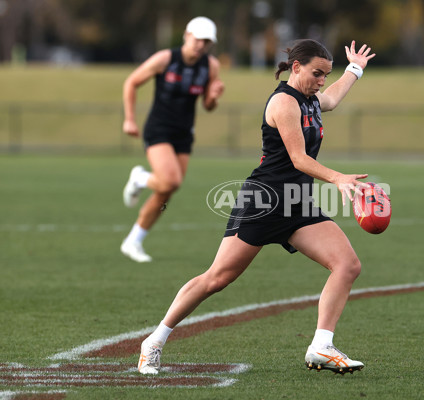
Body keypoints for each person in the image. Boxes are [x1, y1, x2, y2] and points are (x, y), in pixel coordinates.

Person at [137, 39, 375, 375]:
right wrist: (337, 178)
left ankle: (321, 345)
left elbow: (332, 98)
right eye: (317, 73)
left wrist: (355, 70)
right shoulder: (283, 103)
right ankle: (155, 341)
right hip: (263, 201)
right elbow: (298, 158)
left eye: (326, 75)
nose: (322, 81)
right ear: (296, 67)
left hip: (297, 203)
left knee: (347, 265)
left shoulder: (311, 100)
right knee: (217, 278)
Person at [120, 17, 225, 262]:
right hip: (159, 129)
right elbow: (131, 82)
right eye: (198, 39)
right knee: (170, 181)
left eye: (206, 41)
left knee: (167, 191)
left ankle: (133, 241)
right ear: (186, 35)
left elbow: (208, 106)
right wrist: (129, 118)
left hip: (184, 133)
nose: (201, 45)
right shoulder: (165, 59)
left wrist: (214, 96)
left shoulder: (211, 66)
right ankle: (139, 178)